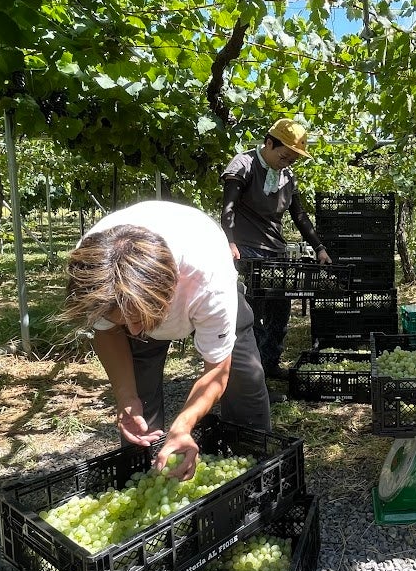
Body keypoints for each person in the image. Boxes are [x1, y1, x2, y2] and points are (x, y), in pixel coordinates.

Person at [62, 200, 270, 479]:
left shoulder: (207, 281)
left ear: (170, 292)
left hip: (201, 272)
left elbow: (218, 370)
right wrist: (126, 397)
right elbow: (107, 330)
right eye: (126, 321)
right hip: (142, 292)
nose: (135, 333)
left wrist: (184, 425)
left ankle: (255, 471)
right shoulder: (94, 270)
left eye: (142, 320)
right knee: (138, 408)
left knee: (244, 381)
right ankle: (148, 477)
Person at [220, 118, 331, 380]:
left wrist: (319, 248)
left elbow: (300, 216)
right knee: (252, 312)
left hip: (274, 250)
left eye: (292, 160)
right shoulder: (244, 165)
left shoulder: (287, 178)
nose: (287, 163)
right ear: (269, 143)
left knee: (279, 311)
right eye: (284, 156)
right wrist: (229, 242)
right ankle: (249, 374)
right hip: (247, 249)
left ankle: (269, 364)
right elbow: (228, 208)